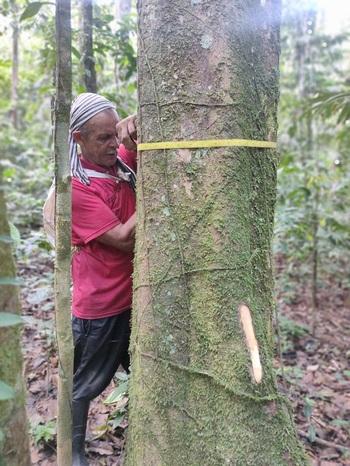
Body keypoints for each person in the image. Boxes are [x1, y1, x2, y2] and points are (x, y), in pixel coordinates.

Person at [69, 93, 137, 466]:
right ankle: (74, 452)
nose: (114, 145)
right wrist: (160, 193)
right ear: (79, 138)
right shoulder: (75, 188)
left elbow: (144, 139)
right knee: (85, 385)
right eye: (103, 138)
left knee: (142, 372)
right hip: (101, 307)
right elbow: (125, 240)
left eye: (115, 135)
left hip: (135, 299)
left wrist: (135, 123)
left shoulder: (117, 166)